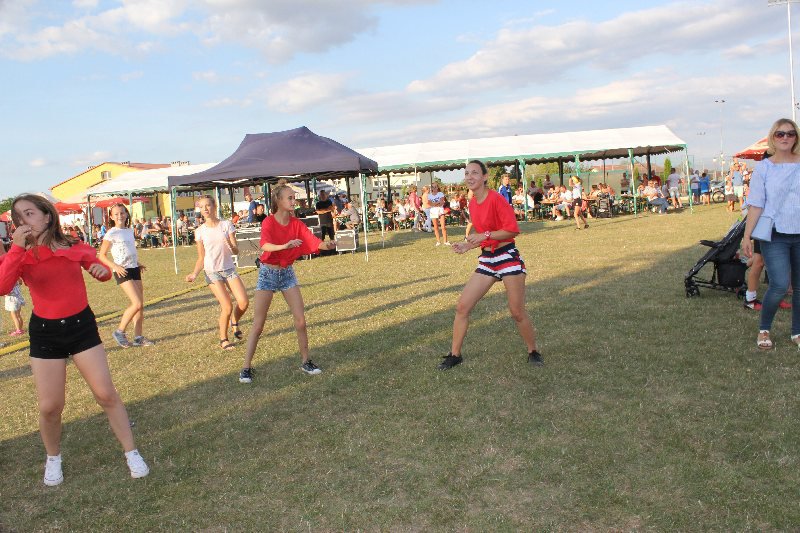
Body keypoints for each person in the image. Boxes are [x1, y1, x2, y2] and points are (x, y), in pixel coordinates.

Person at [0, 194, 149, 485]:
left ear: (47, 216)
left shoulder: (72, 245)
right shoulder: (20, 253)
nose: (22, 221)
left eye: (29, 213)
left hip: (81, 327)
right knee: (50, 406)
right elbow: (3, 286)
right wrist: (16, 247)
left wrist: (100, 271)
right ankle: (53, 458)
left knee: (105, 394)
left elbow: (100, 269)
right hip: (45, 332)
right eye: (17, 217)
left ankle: (131, 452)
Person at [439, 160, 542, 370]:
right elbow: (483, 235)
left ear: (485, 177)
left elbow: (512, 230)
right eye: (467, 173)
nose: (470, 177)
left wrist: (484, 235)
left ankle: (533, 351)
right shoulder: (472, 203)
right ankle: (455, 355)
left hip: (507, 256)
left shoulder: (496, 199)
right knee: (462, 307)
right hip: (487, 259)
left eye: (475, 173)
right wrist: (468, 246)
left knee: (517, 311)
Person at [239, 182, 337, 383]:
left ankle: (306, 361)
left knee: (300, 320)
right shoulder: (269, 222)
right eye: (290, 198)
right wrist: (285, 245)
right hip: (268, 273)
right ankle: (246, 368)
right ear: (278, 200)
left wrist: (327, 245)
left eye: (294, 197)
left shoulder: (296, 224)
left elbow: (312, 241)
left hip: (287, 273)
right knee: (258, 325)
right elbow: (265, 245)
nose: (294, 201)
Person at [742, 118, 800, 350]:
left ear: (796, 137)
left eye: (790, 133)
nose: (785, 137)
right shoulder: (764, 167)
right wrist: (747, 236)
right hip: (775, 234)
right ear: (773, 138)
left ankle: (797, 332)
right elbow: (756, 204)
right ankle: (764, 329)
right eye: (780, 134)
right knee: (779, 285)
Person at [185, 195, 249, 351]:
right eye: (202, 207)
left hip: (228, 269)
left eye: (208, 205)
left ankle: (234, 321)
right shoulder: (200, 231)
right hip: (212, 272)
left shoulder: (226, 225)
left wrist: (231, 246)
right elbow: (201, 258)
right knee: (227, 306)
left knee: (243, 302)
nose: (205, 209)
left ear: (214, 206)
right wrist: (194, 274)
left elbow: (236, 250)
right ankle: (223, 339)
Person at [98, 203, 154, 349]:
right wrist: (115, 267)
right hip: (122, 271)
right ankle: (119, 332)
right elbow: (101, 256)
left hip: (134, 268)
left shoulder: (129, 231)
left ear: (126, 214)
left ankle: (138, 338)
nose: (120, 216)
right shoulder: (111, 233)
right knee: (136, 303)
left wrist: (137, 263)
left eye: (122, 213)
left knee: (140, 306)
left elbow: (127, 250)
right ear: (111, 217)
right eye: (116, 214)